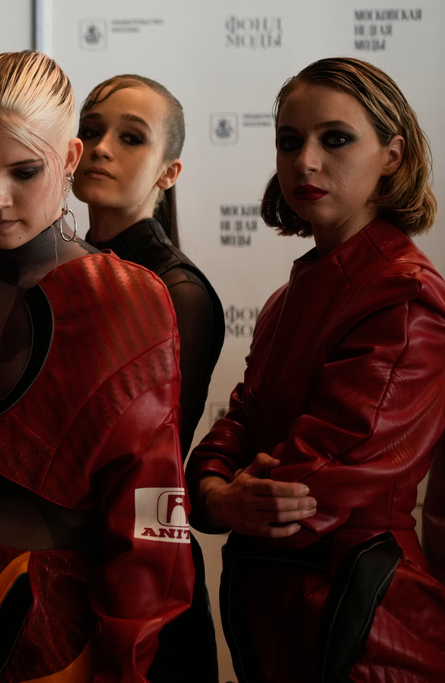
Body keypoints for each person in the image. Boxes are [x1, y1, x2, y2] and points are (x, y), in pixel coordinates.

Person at [0, 50, 192, 682]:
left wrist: (124, 663)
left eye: (25, 172)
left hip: (61, 631)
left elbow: (152, 510)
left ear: (70, 159)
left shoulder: (130, 302)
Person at [187, 57, 445, 682]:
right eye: (289, 141)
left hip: (366, 621)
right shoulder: (287, 299)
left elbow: (311, 489)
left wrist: (223, 498)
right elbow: (233, 429)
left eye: (335, 139)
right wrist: (218, 493)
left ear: (393, 155)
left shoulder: (405, 296)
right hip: (274, 614)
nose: (305, 161)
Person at [72, 74, 221, 683]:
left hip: (144, 579)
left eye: (131, 137)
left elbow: (150, 473)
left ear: (169, 172)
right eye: (91, 131)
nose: (102, 147)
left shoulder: (177, 291)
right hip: (62, 568)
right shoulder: (66, 271)